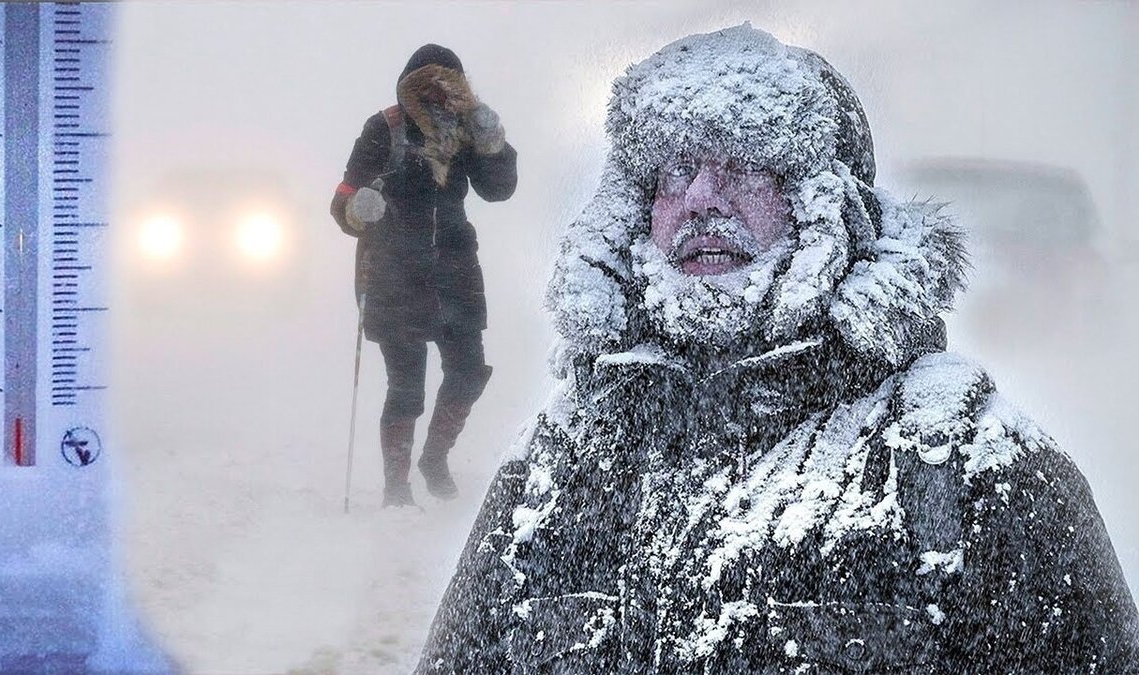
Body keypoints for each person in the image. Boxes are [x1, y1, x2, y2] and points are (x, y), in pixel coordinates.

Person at [414, 25, 1139, 673]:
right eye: (673, 171)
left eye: (744, 165)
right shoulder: (563, 452)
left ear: (825, 206)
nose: (700, 196)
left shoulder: (966, 463)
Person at [331, 44, 517, 507]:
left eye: (448, 84)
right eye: (427, 84)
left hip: (456, 270)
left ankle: (434, 459)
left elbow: (498, 191)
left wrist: (495, 146)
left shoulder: (467, 129)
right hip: (395, 273)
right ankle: (397, 489)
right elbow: (342, 202)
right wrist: (358, 209)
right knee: (407, 387)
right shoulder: (385, 128)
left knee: (469, 371)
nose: (438, 93)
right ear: (411, 86)